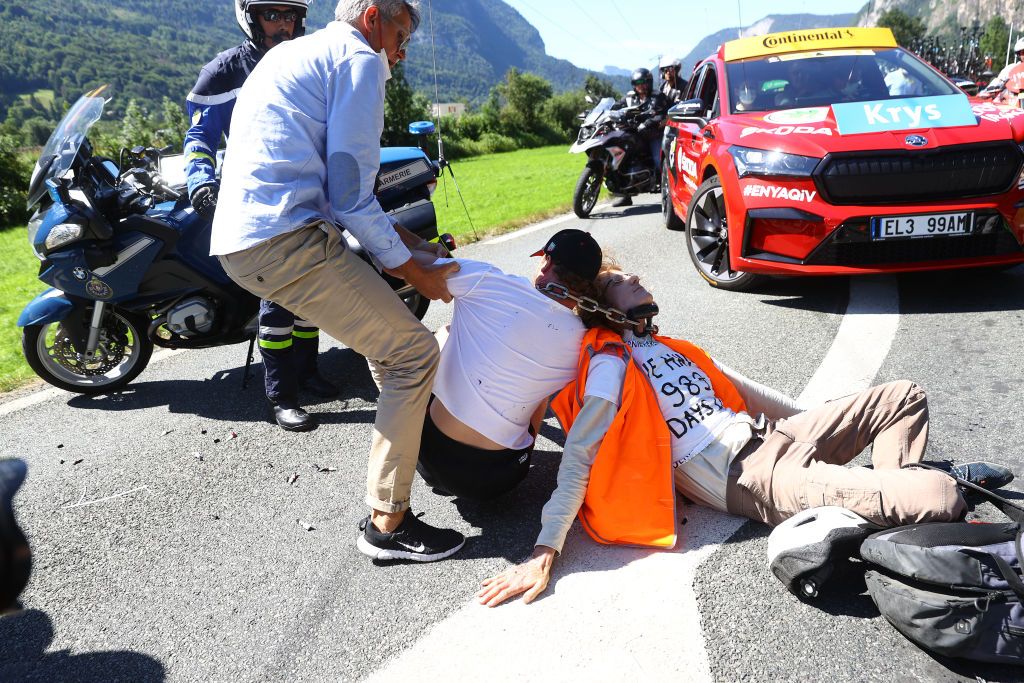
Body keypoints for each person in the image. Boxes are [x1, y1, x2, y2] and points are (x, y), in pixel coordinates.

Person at [477, 267, 1015, 606]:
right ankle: (905, 502)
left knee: (904, 395)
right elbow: (578, 456)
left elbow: (754, 394)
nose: (637, 275)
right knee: (942, 496)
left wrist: (833, 422)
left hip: (776, 437)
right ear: (603, 303)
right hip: (752, 475)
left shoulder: (676, 348)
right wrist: (545, 549)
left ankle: (883, 500)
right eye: (622, 279)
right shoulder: (608, 365)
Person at [211, 0, 466, 563]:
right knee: (414, 352)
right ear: (373, 16)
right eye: (401, 34)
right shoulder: (360, 59)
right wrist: (414, 270)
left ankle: (420, 453)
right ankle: (388, 525)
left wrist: (413, 245)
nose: (400, 53)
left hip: (245, 239)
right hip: (286, 239)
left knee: (388, 346)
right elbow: (352, 194)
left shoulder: (297, 53)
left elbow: (337, 190)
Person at [184, 0, 338, 432]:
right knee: (277, 300)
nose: (283, 25)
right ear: (250, 17)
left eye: (290, 16)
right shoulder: (226, 71)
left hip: (310, 194)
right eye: (272, 15)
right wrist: (200, 180)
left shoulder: (306, 61)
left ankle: (308, 372)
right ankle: (281, 395)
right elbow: (200, 136)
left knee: (311, 296)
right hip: (259, 200)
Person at [414, 229, 603, 502]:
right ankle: (518, 445)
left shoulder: (488, 279)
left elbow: (402, 263)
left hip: (432, 458)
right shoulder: (583, 340)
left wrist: (420, 244)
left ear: (547, 263)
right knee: (539, 394)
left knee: (443, 336)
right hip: (502, 477)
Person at [610, 67, 669, 207]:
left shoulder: (657, 96)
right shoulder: (630, 97)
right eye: (637, 83)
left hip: (652, 134)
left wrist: (647, 123)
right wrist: (607, 113)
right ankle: (625, 195)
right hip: (634, 133)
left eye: (643, 82)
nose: (641, 85)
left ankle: (667, 192)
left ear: (649, 82)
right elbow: (616, 107)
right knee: (621, 158)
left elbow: (661, 114)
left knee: (657, 159)